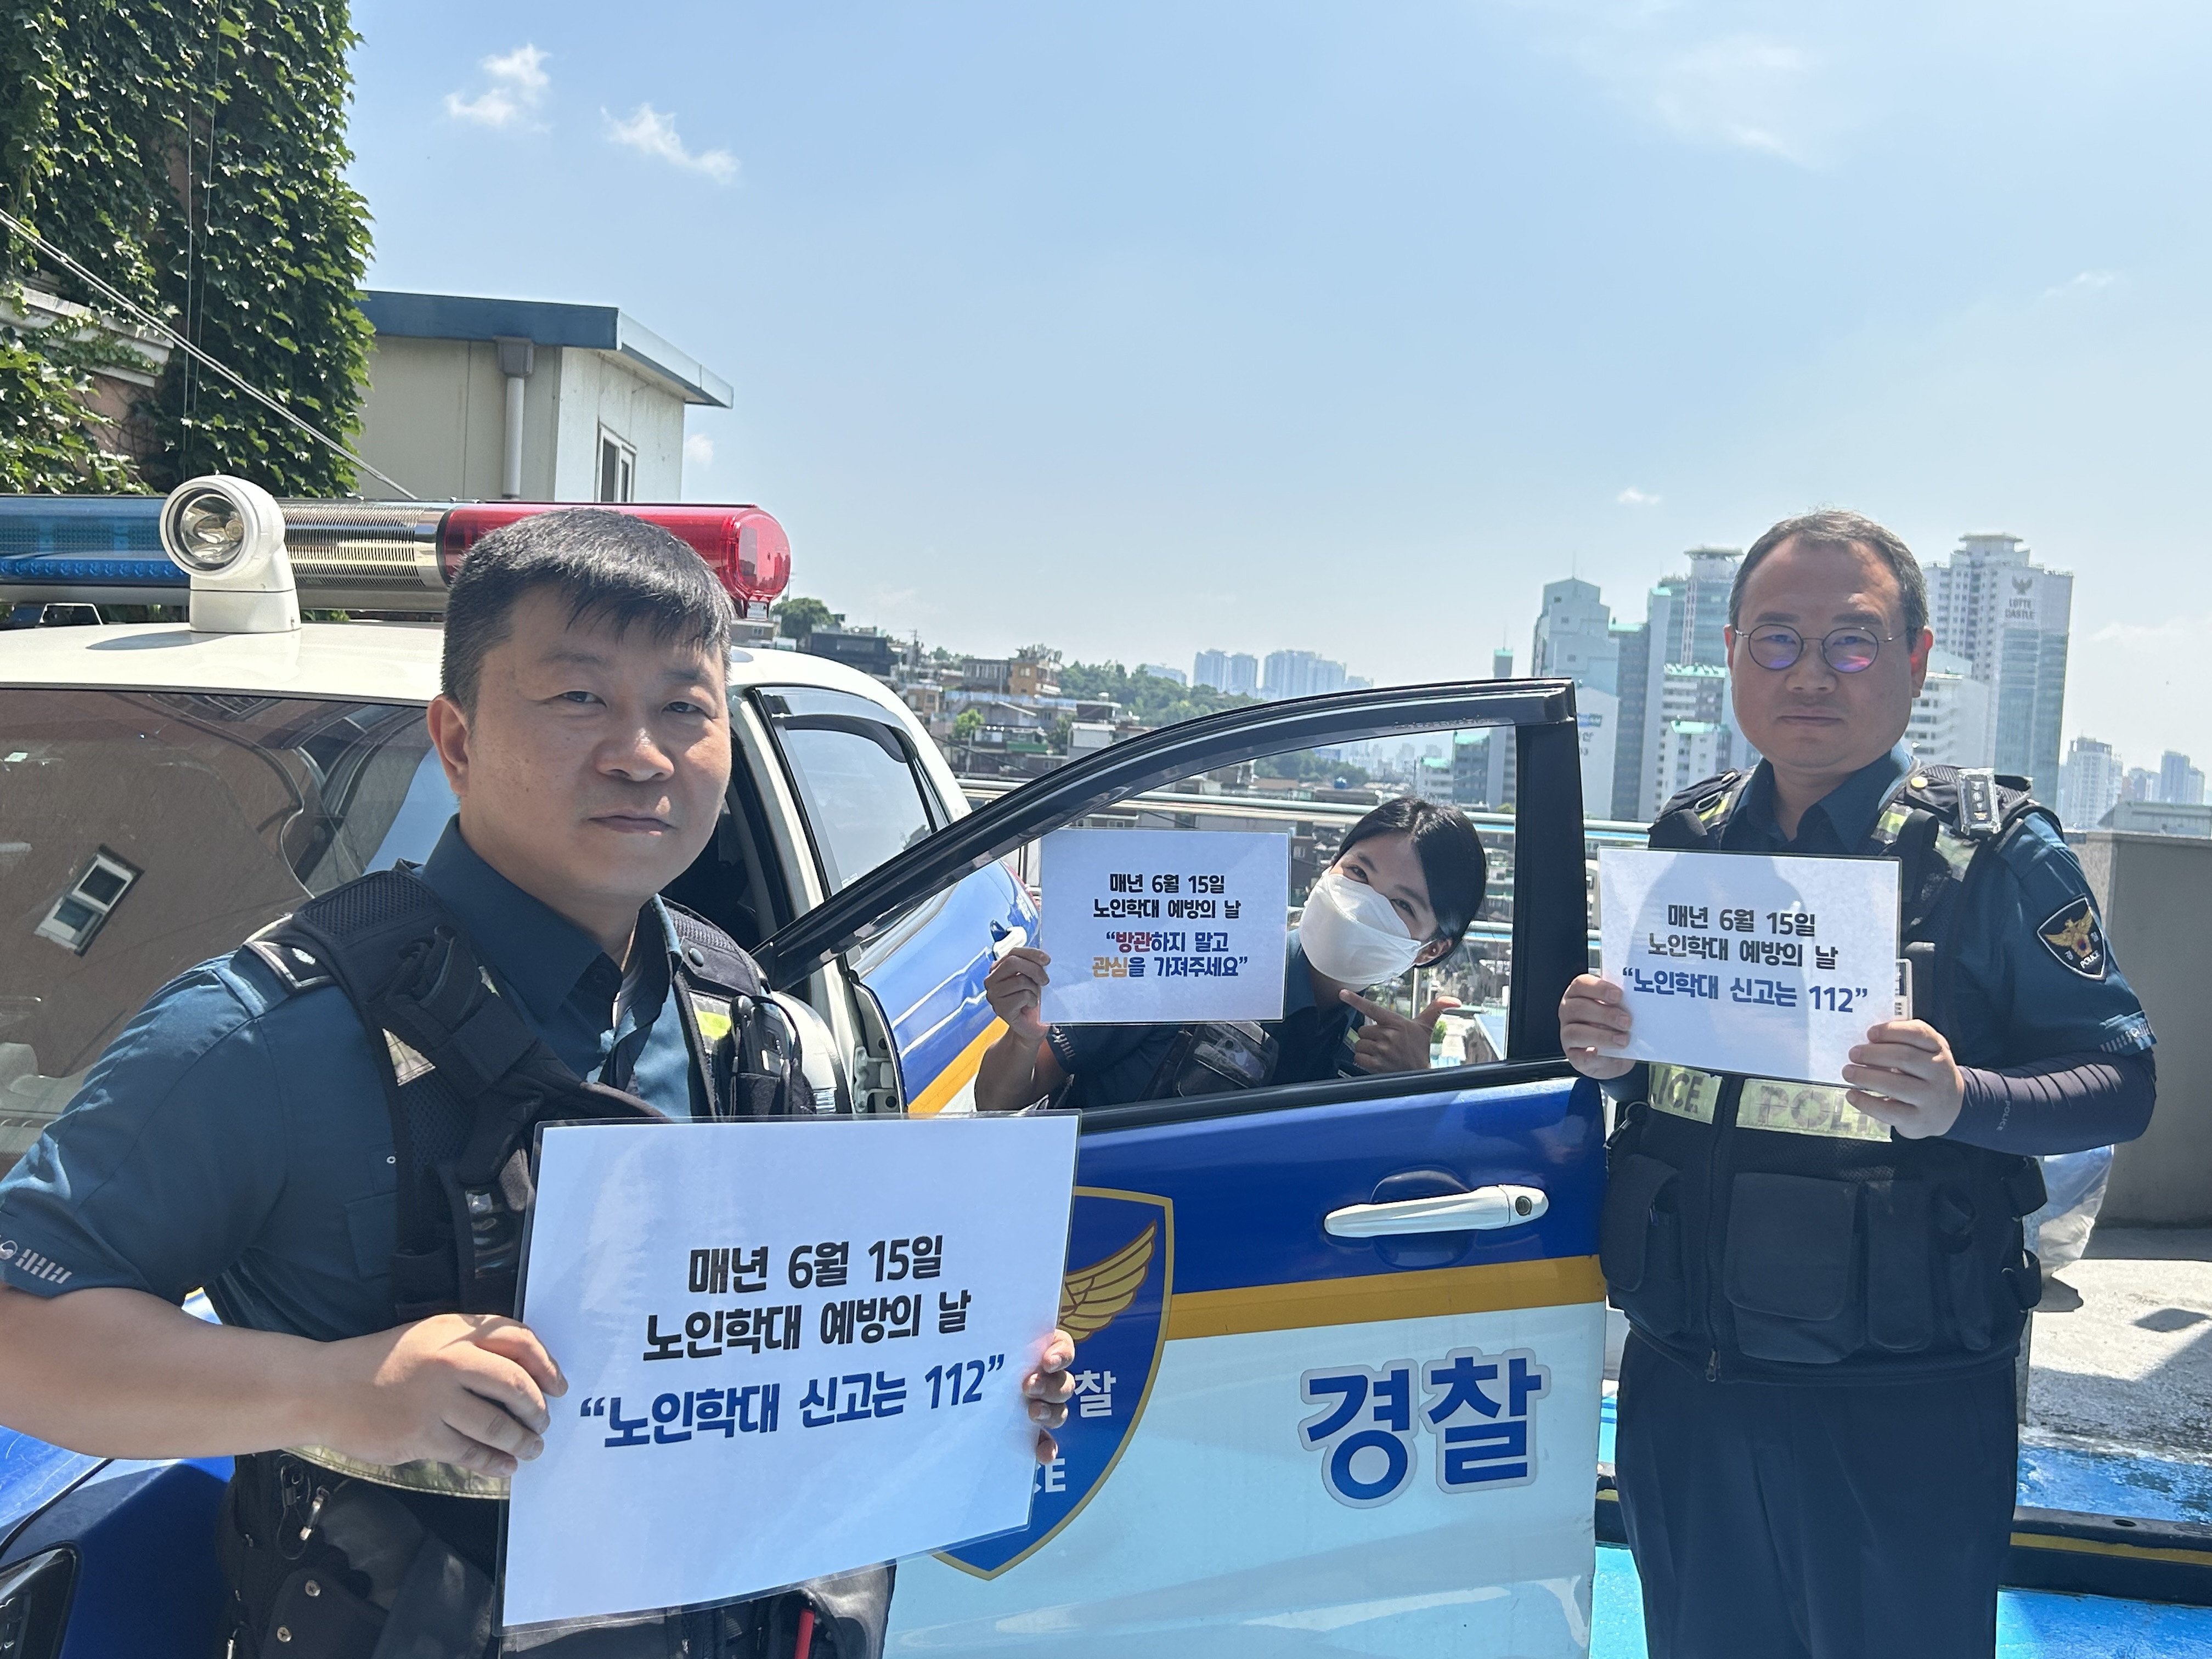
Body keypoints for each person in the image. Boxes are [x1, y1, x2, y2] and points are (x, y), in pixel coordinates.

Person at [0, 510, 1076, 1658]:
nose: (640, 753)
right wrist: (337, 1388)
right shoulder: (271, 1034)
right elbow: (22, 1335)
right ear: (456, 738)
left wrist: (962, 1379)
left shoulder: (756, 1026)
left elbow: (809, 1325)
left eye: (685, 707)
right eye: (578, 697)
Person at [1561, 510, 2155, 1658]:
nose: (1810, 674)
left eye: (1852, 639)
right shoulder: (1688, 839)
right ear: (1731, 652)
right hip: (1687, 1377)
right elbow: (1676, 1090)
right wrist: (1612, 1053)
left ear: (1916, 658)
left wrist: (1967, 1100)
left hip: (1897, 1398)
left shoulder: (1993, 852)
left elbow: (2123, 1080)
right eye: (1777, 639)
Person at [974, 795, 1488, 1114]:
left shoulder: (1374, 1058)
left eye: (1400, 905)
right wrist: (1024, 1037)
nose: (1362, 905)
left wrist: (1416, 1090)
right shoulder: (1192, 959)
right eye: (1357, 874)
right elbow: (999, 1099)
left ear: (1431, 949)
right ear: (1329, 869)